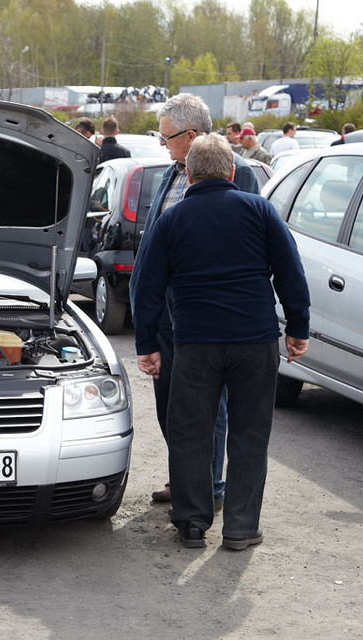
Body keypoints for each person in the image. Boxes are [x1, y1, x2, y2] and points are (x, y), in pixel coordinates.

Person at [131, 133, 310, 549]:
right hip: (255, 340)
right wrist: (297, 329)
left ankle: (192, 524)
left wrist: (146, 345)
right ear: (232, 171)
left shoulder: (171, 220)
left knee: (191, 432)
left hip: (196, 344)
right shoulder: (260, 210)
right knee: (250, 433)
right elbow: (291, 274)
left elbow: (147, 288)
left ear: (189, 175)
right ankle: (242, 528)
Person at [130, 93, 261, 511]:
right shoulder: (172, 173)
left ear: (190, 135)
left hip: (204, 315)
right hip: (167, 314)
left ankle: (211, 485)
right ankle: (184, 476)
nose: (162, 144)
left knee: (210, 405)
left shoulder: (236, 175)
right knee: (170, 401)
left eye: (166, 137)